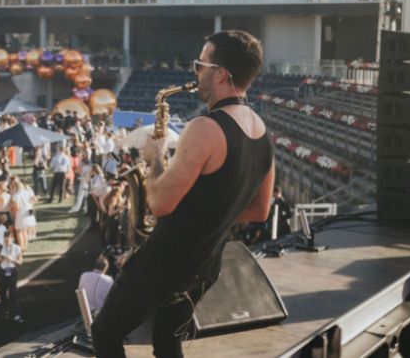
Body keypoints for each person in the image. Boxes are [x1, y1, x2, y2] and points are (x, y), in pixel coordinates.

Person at [91, 30, 275, 357]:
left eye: (200, 65)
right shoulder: (263, 133)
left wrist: (156, 158)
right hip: (206, 266)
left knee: (104, 333)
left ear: (221, 74)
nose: (195, 72)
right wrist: (210, 219)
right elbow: (260, 211)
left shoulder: (204, 128)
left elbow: (159, 204)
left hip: (163, 263)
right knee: (167, 341)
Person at [0, 232, 23, 323]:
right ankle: (5, 311)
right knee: (1, 292)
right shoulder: (1, 247)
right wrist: (1, 258)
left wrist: (12, 259)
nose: (6, 242)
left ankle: (17, 313)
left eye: (7, 240)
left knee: (13, 293)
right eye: (5, 240)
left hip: (11, 271)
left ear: (12, 239)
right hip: (2, 271)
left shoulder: (17, 248)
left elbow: (20, 262)